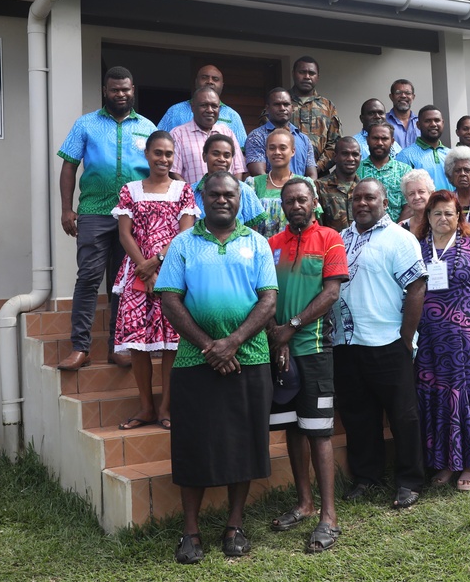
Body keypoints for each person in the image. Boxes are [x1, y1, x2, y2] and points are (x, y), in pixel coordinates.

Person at [154, 172, 278, 564]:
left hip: (250, 357)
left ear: (240, 199)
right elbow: (170, 300)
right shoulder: (182, 244)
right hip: (195, 359)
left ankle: (234, 526)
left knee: (243, 442)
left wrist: (233, 343)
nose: (223, 199)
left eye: (231, 194)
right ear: (202, 198)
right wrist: (210, 346)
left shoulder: (256, 243)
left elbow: (268, 301)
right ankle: (190, 532)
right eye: (216, 194)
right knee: (193, 444)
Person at [334, 179, 428, 510]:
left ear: (384, 202)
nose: (362, 203)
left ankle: (409, 480)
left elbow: (416, 288)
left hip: (388, 341)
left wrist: (405, 338)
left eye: (369, 197)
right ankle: (366, 476)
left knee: (402, 416)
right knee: (358, 415)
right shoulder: (340, 239)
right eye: (357, 197)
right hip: (346, 343)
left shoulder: (400, 239)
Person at [266, 179, 349, 554]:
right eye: (289, 200)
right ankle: (304, 503)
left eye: (302, 199)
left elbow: (331, 292)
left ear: (314, 202)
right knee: (292, 429)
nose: (296, 204)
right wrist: (275, 335)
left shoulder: (330, 237)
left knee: (318, 431)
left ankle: (328, 516)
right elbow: (264, 295)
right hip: (279, 349)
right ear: (282, 205)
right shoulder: (271, 245)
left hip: (313, 347)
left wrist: (291, 329)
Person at [56, 66, 155, 371]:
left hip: (133, 216)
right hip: (94, 212)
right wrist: (66, 209)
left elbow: (158, 170)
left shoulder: (148, 127)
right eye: (115, 90)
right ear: (105, 91)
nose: (121, 94)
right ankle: (80, 348)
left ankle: (119, 347)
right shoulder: (85, 124)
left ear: (133, 89)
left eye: (126, 89)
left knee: (122, 284)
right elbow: (69, 166)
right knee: (88, 278)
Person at [413, 190, 470, 491]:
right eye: (437, 213)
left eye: (449, 213)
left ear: (459, 217)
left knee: (467, 396)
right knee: (436, 394)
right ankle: (444, 462)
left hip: (468, 341)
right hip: (428, 339)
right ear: (427, 217)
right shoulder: (417, 248)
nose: (443, 218)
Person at [110, 132, 199, 431]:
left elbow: (184, 234)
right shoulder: (130, 190)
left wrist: (156, 264)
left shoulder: (183, 190)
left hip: (172, 271)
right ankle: (146, 407)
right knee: (138, 344)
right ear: (147, 154)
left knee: (172, 343)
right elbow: (125, 234)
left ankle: (166, 408)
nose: (163, 159)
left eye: (168, 154)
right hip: (137, 272)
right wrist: (143, 268)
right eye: (158, 153)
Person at [246, 129, 318, 237]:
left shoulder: (305, 183)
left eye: (283, 148)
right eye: (272, 148)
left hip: (297, 247)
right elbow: (248, 226)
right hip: (262, 250)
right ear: (266, 151)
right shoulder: (253, 184)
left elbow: (312, 224)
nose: (277, 152)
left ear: (293, 151)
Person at [156, 64, 248, 147]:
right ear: (196, 82)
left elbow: (242, 152)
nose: (209, 81)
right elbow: (157, 143)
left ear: (222, 85)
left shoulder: (232, 116)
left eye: (215, 79)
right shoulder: (175, 111)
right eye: (205, 77)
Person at [169, 87, 245, 185]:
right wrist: (193, 195)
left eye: (214, 106)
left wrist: (230, 192)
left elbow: (238, 171)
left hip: (226, 197)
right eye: (204, 105)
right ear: (193, 107)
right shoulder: (177, 134)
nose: (210, 110)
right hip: (192, 198)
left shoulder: (228, 133)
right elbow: (174, 173)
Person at [279, 56, 341, 172]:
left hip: (318, 177)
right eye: (302, 72)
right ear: (293, 73)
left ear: (317, 77)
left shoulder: (328, 106)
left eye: (311, 73)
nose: (307, 76)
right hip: (283, 173)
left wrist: (315, 168)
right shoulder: (280, 102)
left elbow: (335, 144)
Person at [192, 134, 267, 229]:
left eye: (227, 155)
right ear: (204, 156)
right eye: (215, 154)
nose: (222, 159)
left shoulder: (244, 190)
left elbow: (253, 229)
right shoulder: (191, 191)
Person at [245, 88, 317, 178]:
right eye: (277, 104)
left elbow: (312, 175)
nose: (282, 108)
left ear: (292, 107)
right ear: (267, 108)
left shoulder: (304, 139)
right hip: (269, 191)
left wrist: (299, 190)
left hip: (300, 191)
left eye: (286, 104)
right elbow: (259, 175)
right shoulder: (256, 136)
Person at [357, 121, 411, 221]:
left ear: (392, 141)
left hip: (397, 232)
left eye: (384, 138)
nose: (379, 143)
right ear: (368, 140)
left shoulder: (404, 170)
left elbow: (409, 206)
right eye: (375, 138)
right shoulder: (357, 169)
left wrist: (394, 231)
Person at [397, 105, 453, 191]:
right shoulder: (406, 156)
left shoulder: (452, 155)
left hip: (451, 204)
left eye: (437, 120)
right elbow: (402, 191)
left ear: (443, 123)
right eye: (427, 121)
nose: (433, 124)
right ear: (418, 125)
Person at [316, 136, 360, 232]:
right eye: (345, 154)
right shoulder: (319, 187)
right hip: (331, 245)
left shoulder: (364, 188)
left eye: (355, 154)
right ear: (335, 157)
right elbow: (317, 227)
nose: (350, 158)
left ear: (360, 158)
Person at [443, 146, 470, 223]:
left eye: (467, 170)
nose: (462, 174)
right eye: (457, 170)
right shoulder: (446, 201)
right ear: (450, 176)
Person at [387, 79, 420, 148]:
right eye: (398, 93)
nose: (403, 96)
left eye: (408, 93)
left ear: (413, 97)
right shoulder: (383, 122)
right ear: (391, 97)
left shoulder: (421, 123)